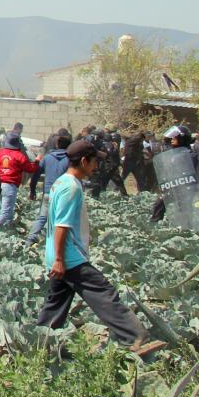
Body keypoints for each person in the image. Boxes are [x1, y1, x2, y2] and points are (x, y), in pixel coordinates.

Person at [37, 140, 165, 355]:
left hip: (58, 255)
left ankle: (40, 345)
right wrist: (60, 259)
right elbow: (61, 226)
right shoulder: (71, 187)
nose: (97, 166)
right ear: (84, 161)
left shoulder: (61, 182)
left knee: (56, 304)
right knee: (104, 294)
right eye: (94, 161)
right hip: (69, 257)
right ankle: (135, 337)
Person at [25, 132, 72, 248]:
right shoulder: (70, 160)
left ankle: (29, 241)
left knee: (42, 218)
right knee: (61, 219)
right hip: (64, 194)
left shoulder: (47, 158)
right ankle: (58, 244)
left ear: (56, 145)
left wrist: (32, 190)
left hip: (48, 193)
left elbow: (36, 175)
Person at [0, 132, 39, 228]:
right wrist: (37, 162)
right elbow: (30, 169)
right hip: (9, 186)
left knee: (7, 210)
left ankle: (9, 229)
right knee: (6, 211)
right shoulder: (19, 155)